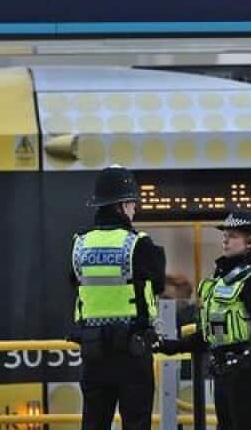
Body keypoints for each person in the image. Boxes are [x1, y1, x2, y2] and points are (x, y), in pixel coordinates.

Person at [158, 210, 251, 430]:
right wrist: (170, 346)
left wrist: (249, 358)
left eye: (232, 235)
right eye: (225, 234)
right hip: (225, 371)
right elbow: (210, 335)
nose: (225, 239)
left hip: (249, 373)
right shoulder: (222, 281)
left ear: (250, 242)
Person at [70, 166, 166, 430]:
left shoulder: (80, 244)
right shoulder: (140, 244)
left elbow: (75, 284)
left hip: (93, 351)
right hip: (132, 351)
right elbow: (158, 285)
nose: (135, 209)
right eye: (134, 204)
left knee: (94, 421)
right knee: (136, 421)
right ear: (124, 205)